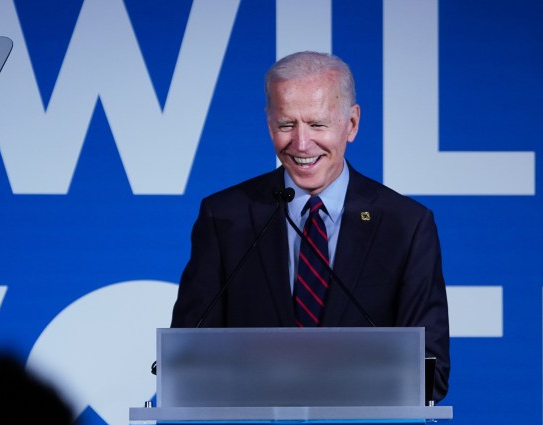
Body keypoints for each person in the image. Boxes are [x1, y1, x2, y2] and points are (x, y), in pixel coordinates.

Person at [170, 51, 450, 401]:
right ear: (269, 123)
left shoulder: (405, 226)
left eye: (318, 124)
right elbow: (186, 362)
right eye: (287, 125)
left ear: (351, 124)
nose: (302, 144)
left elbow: (430, 372)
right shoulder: (226, 218)